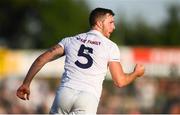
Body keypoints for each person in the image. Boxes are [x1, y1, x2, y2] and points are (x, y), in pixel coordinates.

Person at [16, 7, 145, 114]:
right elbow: (120, 81)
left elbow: (41, 59)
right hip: (88, 99)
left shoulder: (70, 40)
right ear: (99, 23)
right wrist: (136, 74)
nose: (114, 27)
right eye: (111, 22)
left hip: (65, 93)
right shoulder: (110, 46)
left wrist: (26, 84)